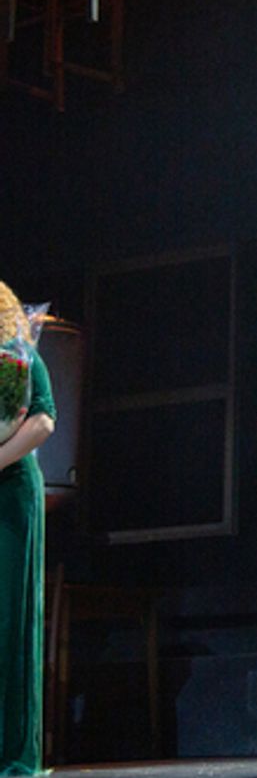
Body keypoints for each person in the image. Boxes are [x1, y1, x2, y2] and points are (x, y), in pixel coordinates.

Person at [0, 282, 53, 777]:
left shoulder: (15, 354)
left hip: (9, 491)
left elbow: (43, 419)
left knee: (9, 623)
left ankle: (14, 758)